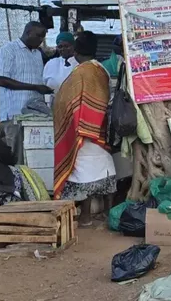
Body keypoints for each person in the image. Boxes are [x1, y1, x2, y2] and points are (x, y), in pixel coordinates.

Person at [53, 31, 116, 224]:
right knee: (106, 169)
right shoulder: (101, 69)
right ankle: (109, 213)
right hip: (100, 126)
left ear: (76, 52)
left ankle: (86, 217)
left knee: (83, 173)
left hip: (82, 129)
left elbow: (67, 100)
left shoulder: (81, 72)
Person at [0, 21, 53, 162]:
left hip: (33, 116)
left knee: (32, 158)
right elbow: (2, 80)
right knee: (15, 157)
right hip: (14, 115)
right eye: (39, 36)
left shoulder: (37, 54)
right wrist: (35, 87)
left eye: (43, 37)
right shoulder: (8, 50)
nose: (41, 40)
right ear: (28, 33)